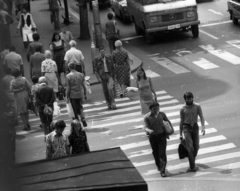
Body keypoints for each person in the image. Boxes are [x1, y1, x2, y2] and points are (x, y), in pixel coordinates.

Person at [144, 102, 173, 177]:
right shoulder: (147, 117)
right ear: (150, 109)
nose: (156, 110)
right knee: (156, 153)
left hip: (162, 136)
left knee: (162, 153)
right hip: (153, 137)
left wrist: (171, 129)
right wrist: (149, 130)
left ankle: (162, 170)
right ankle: (159, 165)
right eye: (154, 109)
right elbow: (145, 127)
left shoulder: (162, 114)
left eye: (157, 109)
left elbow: (167, 121)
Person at [179, 92, 205, 172]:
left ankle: (191, 158)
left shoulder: (197, 106)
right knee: (190, 147)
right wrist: (180, 134)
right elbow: (181, 121)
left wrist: (203, 127)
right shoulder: (182, 108)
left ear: (192, 98)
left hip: (195, 127)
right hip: (186, 128)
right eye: (188, 99)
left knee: (196, 147)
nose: (189, 100)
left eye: (191, 98)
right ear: (185, 99)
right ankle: (192, 166)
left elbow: (201, 117)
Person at [66, 62, 88, 127]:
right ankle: (83, 118)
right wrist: (85, 94)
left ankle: (77, 121)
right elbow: (84, 85)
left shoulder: (68, 76)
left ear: (69, 68)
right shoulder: (81, 74)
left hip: (72, 94)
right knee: (80, 107)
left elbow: (68, 87)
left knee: (74, 109)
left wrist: (67, 96)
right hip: (80, 93)